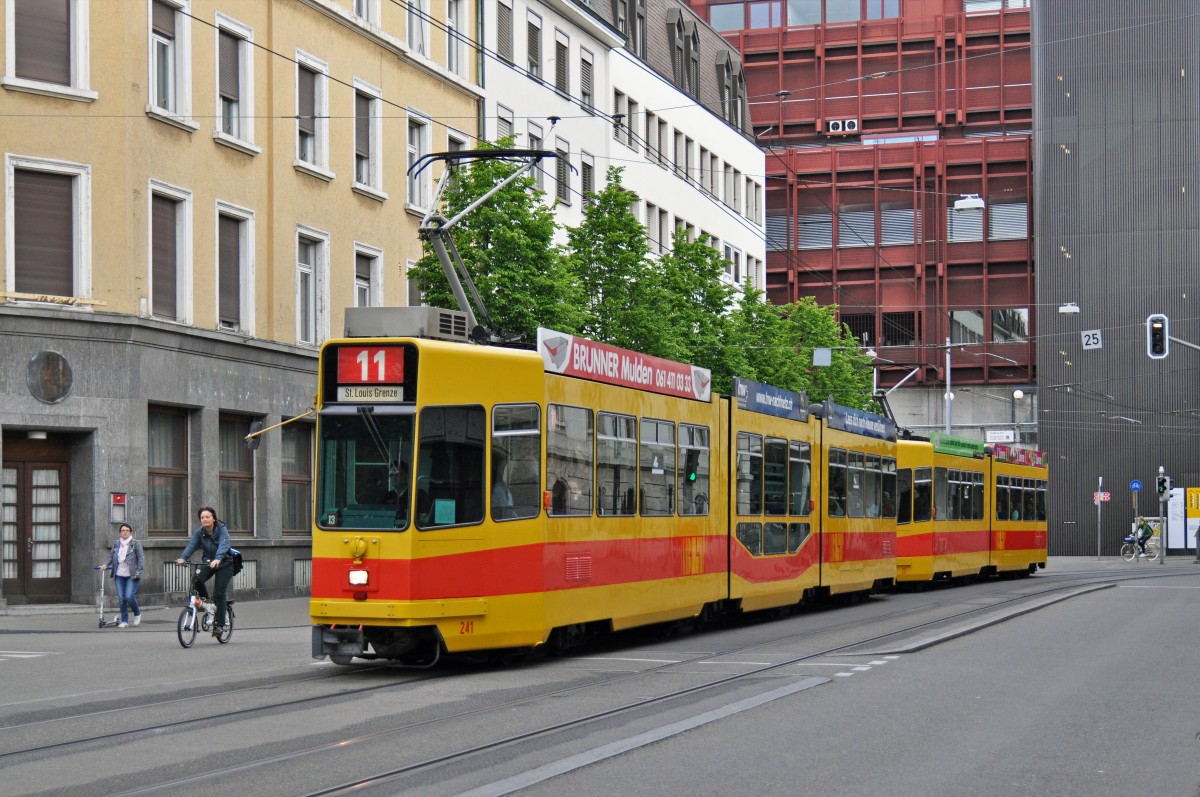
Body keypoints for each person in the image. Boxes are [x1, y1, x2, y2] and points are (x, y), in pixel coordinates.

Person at [176, 507, 234, 637]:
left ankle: (219, 624)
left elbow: (224, 545)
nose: (205, 519)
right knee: (196, 579)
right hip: (208, 562)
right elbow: (192, 545)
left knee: (219, 593)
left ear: (213, 518)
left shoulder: (222, 530)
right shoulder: (200, 532)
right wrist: (183, 558)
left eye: (207, 517)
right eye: (202, 517)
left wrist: (218, 559)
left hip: (225, 563)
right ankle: (208, 604)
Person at [100, 523, 143, 628]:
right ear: (120, 533)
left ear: (130, 532)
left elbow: (141, 559)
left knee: (129, 596)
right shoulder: (116, 543)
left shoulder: (136, 544)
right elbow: (111, 557)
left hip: (132, 576)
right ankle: (125, 621)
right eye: (123, 530)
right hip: (119, 575)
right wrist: (105, 565)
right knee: (121, 598)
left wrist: (138, 573)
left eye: (127, 530)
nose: (125, 532)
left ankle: (137, 613)